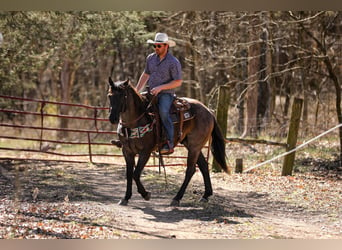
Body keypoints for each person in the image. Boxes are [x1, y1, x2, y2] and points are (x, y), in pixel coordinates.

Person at [136, 32, 182, 155]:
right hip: (151, 91)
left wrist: (161, 88)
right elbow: (146, 74)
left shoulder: (173, 62)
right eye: (154, 46)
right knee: (135, 107)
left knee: (163, 111)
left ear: (166, 46)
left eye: (159, 46)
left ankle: (169, 142)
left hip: (166, 93)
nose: (156, 48)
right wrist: (137, 90)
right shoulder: (150, 58)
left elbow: (178, 82)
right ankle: (131, 138)